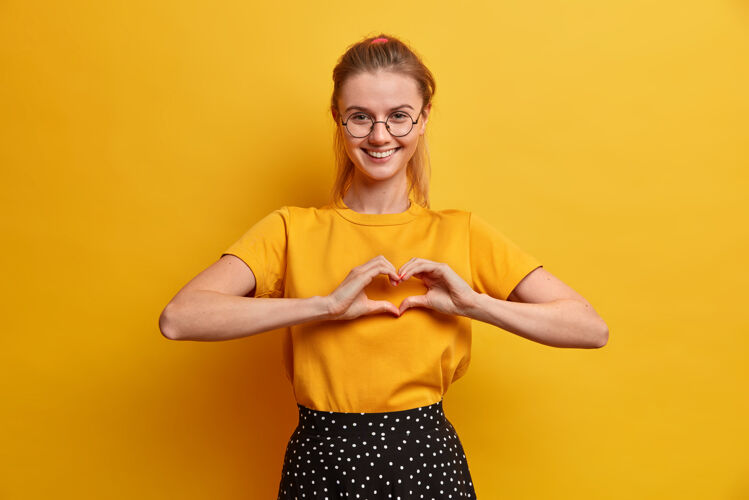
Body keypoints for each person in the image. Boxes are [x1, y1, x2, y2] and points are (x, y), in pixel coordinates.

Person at [159, 33, 609, 499]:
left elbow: (590, 328)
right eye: (360, 118)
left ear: (423, 118)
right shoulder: (290, 229)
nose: (379, 136)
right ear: (338, 118)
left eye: (398, 117)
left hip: (428, 466)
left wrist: (475, 304)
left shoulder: (462, 233)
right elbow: (179, 318)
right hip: (321, 466)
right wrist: (323, 306)